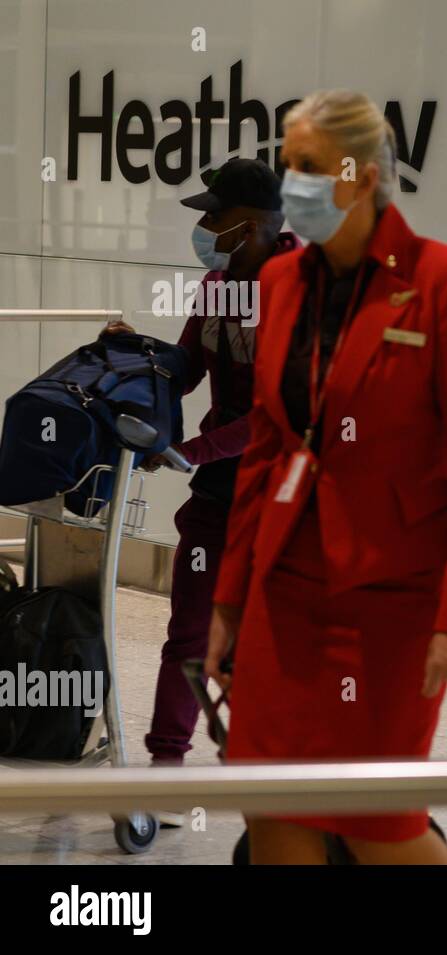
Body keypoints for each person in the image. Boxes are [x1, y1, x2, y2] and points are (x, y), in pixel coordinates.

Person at [203, 89, 447, 864]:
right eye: (286, 164)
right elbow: (265, 451)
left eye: (306, 166)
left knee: (380, 818)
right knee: (275, 808)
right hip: (284, 591)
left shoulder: (445, 281)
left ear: (363, 174)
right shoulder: (278, 282)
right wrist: (229, 599)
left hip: (390, 600)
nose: (290, 182)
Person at [131, 159, 299, 770]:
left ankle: (262, 759)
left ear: (251, 223)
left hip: (284, 494)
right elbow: (186, 365)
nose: (204, 226)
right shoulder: (219, 285)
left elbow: (276, 416)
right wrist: (135, 358)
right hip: (218, 488)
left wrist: (190, 450)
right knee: (190, 633)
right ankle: (166, 767)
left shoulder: (300, 290)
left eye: (214, 215)